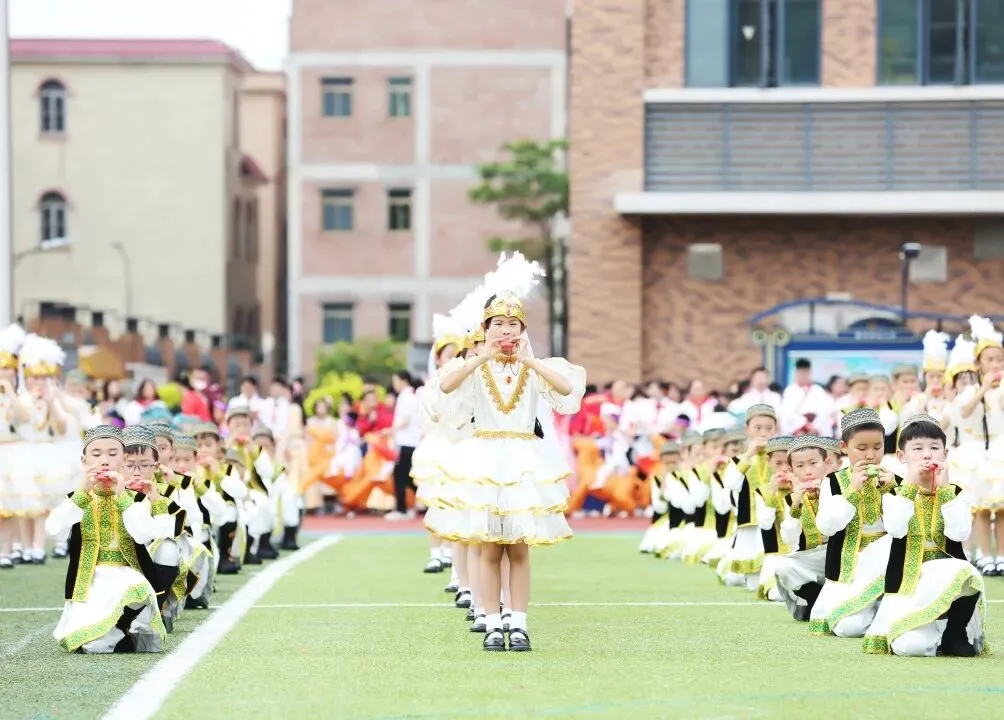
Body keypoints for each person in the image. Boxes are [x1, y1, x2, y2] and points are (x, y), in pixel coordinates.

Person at [429, 252, 586, 652]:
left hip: (521, 460)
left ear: (522, 330)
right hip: (485, 459)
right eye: (497, 324)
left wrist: (531, 359)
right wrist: (480, 355)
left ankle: (518, 623)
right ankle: (492, 621)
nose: (505, 331)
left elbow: (567, 390)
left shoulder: (532, 367)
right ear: (485, 329)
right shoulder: (476, 366)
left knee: (517, 549)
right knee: (487, 548)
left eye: (513, 324)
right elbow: (446, 388)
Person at [863, 414, 985, 657]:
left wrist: (945, 491)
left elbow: (959, 532)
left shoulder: (956, 492)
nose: (927, 454)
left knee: (966, 571)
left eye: (934, 448)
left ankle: (954, 632)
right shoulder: (894, 493)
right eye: (917, 448)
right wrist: (909, 486)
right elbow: (896, 530)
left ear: (945, 454)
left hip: (946, 577)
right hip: (910, 582)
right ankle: (935, 630)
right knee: (909, 647)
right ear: (901, 456)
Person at [45, 425, 167, 653]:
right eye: (96, 454)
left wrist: (122, 495)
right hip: (90, 581)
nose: (104, 461)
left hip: (126, 575)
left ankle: (123, 626)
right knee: (92, 646)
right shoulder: (77, 498)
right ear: (84, 460)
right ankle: (121, 634)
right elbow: (54, 531)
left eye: (112, 454)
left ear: (124, 459)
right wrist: (82, 493)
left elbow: (143, 534)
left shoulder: (135, 498)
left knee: (138, 590)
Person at [810, 408, 898, 638]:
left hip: (888, 562)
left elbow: (903, 526)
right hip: (851, 568)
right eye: (861, 448)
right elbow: (827, 527)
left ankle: (884, 609)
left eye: (877, 447)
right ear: (844, 448)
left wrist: (893, 490)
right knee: (847, 628)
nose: (870, 455)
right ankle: (878, 612)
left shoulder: (894, 478)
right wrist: (852, 491)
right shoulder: (833, 482)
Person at [387, 370, 420, 521]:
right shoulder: (412, 396)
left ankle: (402, 509)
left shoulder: (405, 396)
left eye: (395, 381)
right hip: (412, 442)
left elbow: (404, 419)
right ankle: (421, 503)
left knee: (400, 476)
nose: (394, 385)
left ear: (402, 381)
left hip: (406, 442)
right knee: (408, 476)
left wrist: (391, 430)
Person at [781, 358, 837, 437]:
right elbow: (788, 412)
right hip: (798, 431)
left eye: (806, 373)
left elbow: (826, 410)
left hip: (816, 430)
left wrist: (814, 426)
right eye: (801, 373)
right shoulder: (790, 390)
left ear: (810, 373)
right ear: (796, 373)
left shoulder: (818, 390)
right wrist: (804, 424)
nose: (803, 376)